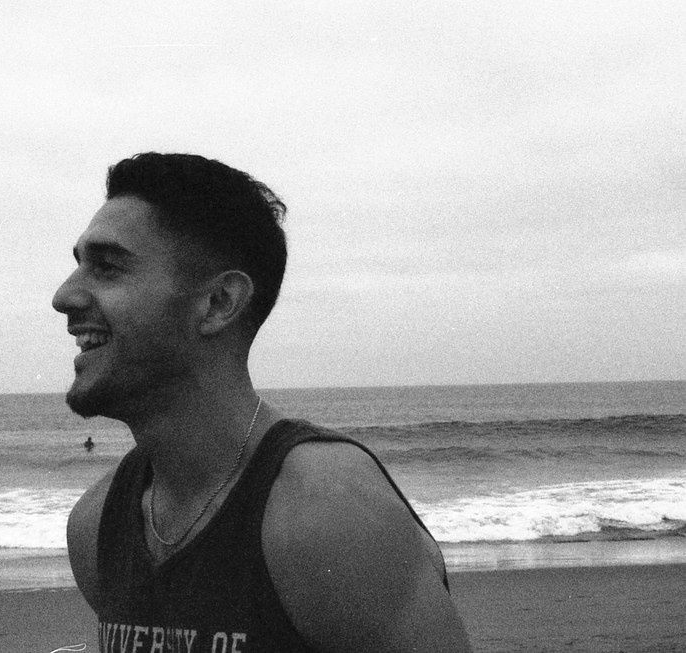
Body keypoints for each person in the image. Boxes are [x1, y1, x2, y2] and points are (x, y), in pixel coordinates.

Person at [52, 153, 470, 652]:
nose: (64, 296)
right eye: (78, 265)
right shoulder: (98, 524)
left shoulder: (324, 514)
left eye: (107, 267)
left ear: (219, 303)